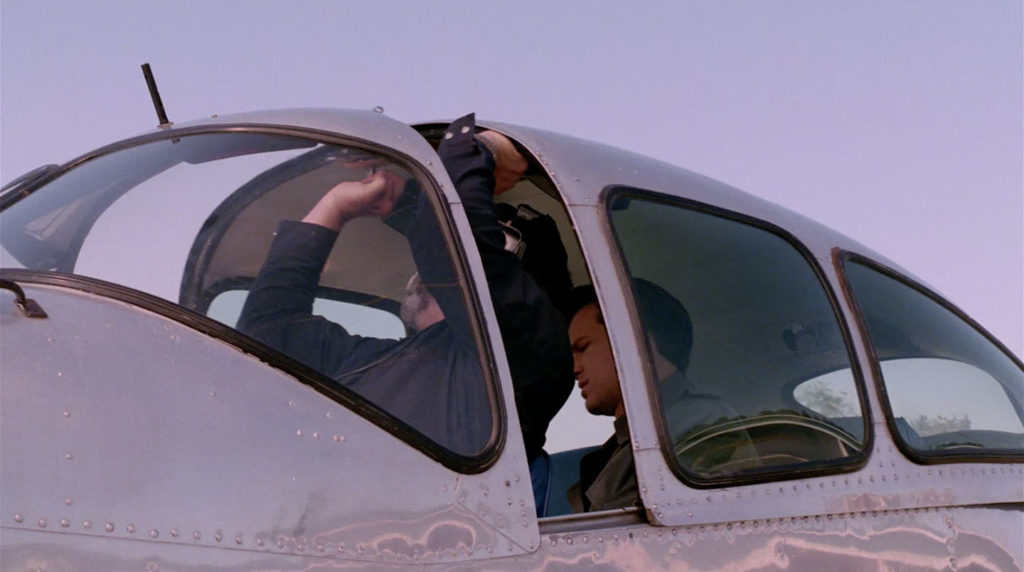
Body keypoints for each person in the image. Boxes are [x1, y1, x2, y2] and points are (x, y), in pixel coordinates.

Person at [238, 114, 573, 463]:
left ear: (526, 286)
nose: (467, 252)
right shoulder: (378, 359)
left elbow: (444, 245)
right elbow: (266, 336)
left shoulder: (531, 350)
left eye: (494, 240)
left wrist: (482, 148)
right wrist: (336, 205)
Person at [564, 280, 749, 512]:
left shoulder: (703, 425)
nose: (574, 368)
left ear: (634, 341)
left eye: (583, 347)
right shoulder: (632, 442)